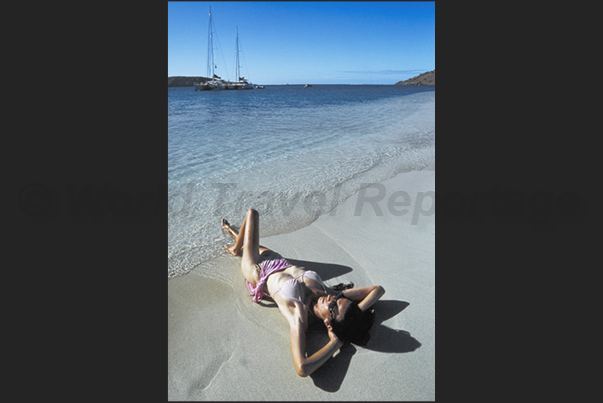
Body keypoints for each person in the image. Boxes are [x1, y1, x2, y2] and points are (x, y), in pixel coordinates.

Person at [221, 208, 385, 377]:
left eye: (333, 305)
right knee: (249, 239)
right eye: (339, 298)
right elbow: (378, 290)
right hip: (277, 259)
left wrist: (336, 342)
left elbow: (303, 368)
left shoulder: (298, 316)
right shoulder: (328, 294)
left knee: (252, 214)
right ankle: (235, 237)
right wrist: (355, 312)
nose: (333, 297)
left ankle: (235, 249)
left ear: (328, 324)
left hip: (257, 269)